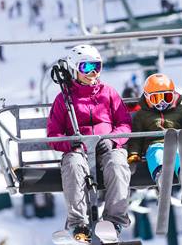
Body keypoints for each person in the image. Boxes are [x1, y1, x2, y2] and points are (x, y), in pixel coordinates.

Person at [47, 45, 132, 243]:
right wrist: (71, 144)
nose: (93, 73)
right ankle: (79, 224)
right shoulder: (64, 100)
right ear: (74, 69)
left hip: (107, 148)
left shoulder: (109, 93)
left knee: (117, 164)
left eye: (97, 67)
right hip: (80, 152)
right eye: (86, 67)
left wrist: (113, 140)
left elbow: (124, 123)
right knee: (73, 165)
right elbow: (54, 133)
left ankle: (114, 221)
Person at [127, 73, 182, 188]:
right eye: (156, 99)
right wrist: (134, 153)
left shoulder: (180, 111)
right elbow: (137, 136)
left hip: (179, 143)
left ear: (173, 96)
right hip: (155, 144)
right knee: (156, 154)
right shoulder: (142, 115)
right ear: (147, 98)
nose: (162, 103)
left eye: (167, 97)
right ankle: (161, 175)